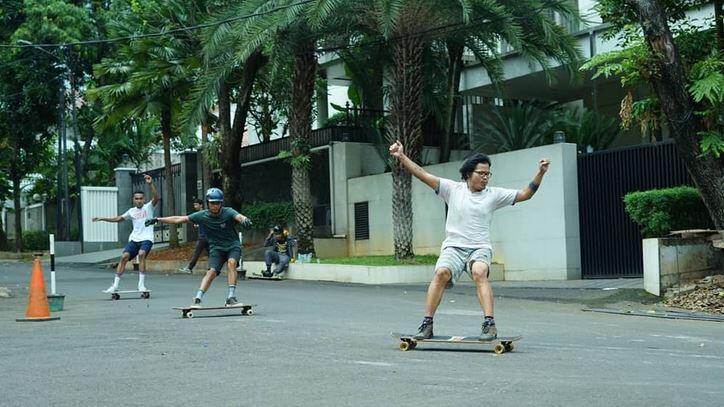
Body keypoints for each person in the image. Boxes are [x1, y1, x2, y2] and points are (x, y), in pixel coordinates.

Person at [388, 140, 549, 340]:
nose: (485, 178)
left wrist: (540, 173)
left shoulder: (494, 195)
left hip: (479, 248)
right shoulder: (452, 189)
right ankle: (427, 324)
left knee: (479, 271)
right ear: (468, 174)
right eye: (481, 173)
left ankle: (489, 324)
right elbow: (422, 174)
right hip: (454, 247)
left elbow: (526, 194)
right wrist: (402, 156)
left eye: (488, 174)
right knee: (440, 273)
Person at [145, 188, 252, 307]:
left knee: (232, 263)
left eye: (218, 203)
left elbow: (239, 216)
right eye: (212, 203)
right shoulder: (202, 215)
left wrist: (245, 220)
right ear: (207, 203)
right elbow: (179, 219)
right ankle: (198, 298)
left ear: (221, 203)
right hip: (216, 248)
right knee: (211, 272)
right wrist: (157, 219)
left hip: (233, 246)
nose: (215, 206)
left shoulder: (228, 212)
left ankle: (231, 297)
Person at [93, 174, 159, 293]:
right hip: (134, 239)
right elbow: (118, 219)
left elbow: (156, 198)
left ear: (144, 199)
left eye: (141, 198)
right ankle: (115, 286)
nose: (139, 200)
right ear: (133, 200)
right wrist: (102, 218)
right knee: (123, 257)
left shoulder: (149, 207)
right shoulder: (131, 211)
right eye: (136, 198)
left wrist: (150, 184)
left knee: (142, 253)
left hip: (147, 239)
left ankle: (141, 285)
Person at [178, 198, 209, 274]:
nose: (195, 206)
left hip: (203, 237)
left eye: (196, 204)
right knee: (211, 253)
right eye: (194, 205)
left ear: (201, 205)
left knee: (197, 253)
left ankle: (189, 268)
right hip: (207, 237)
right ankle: (213, 268)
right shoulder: (203, 213)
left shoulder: (202, 213)